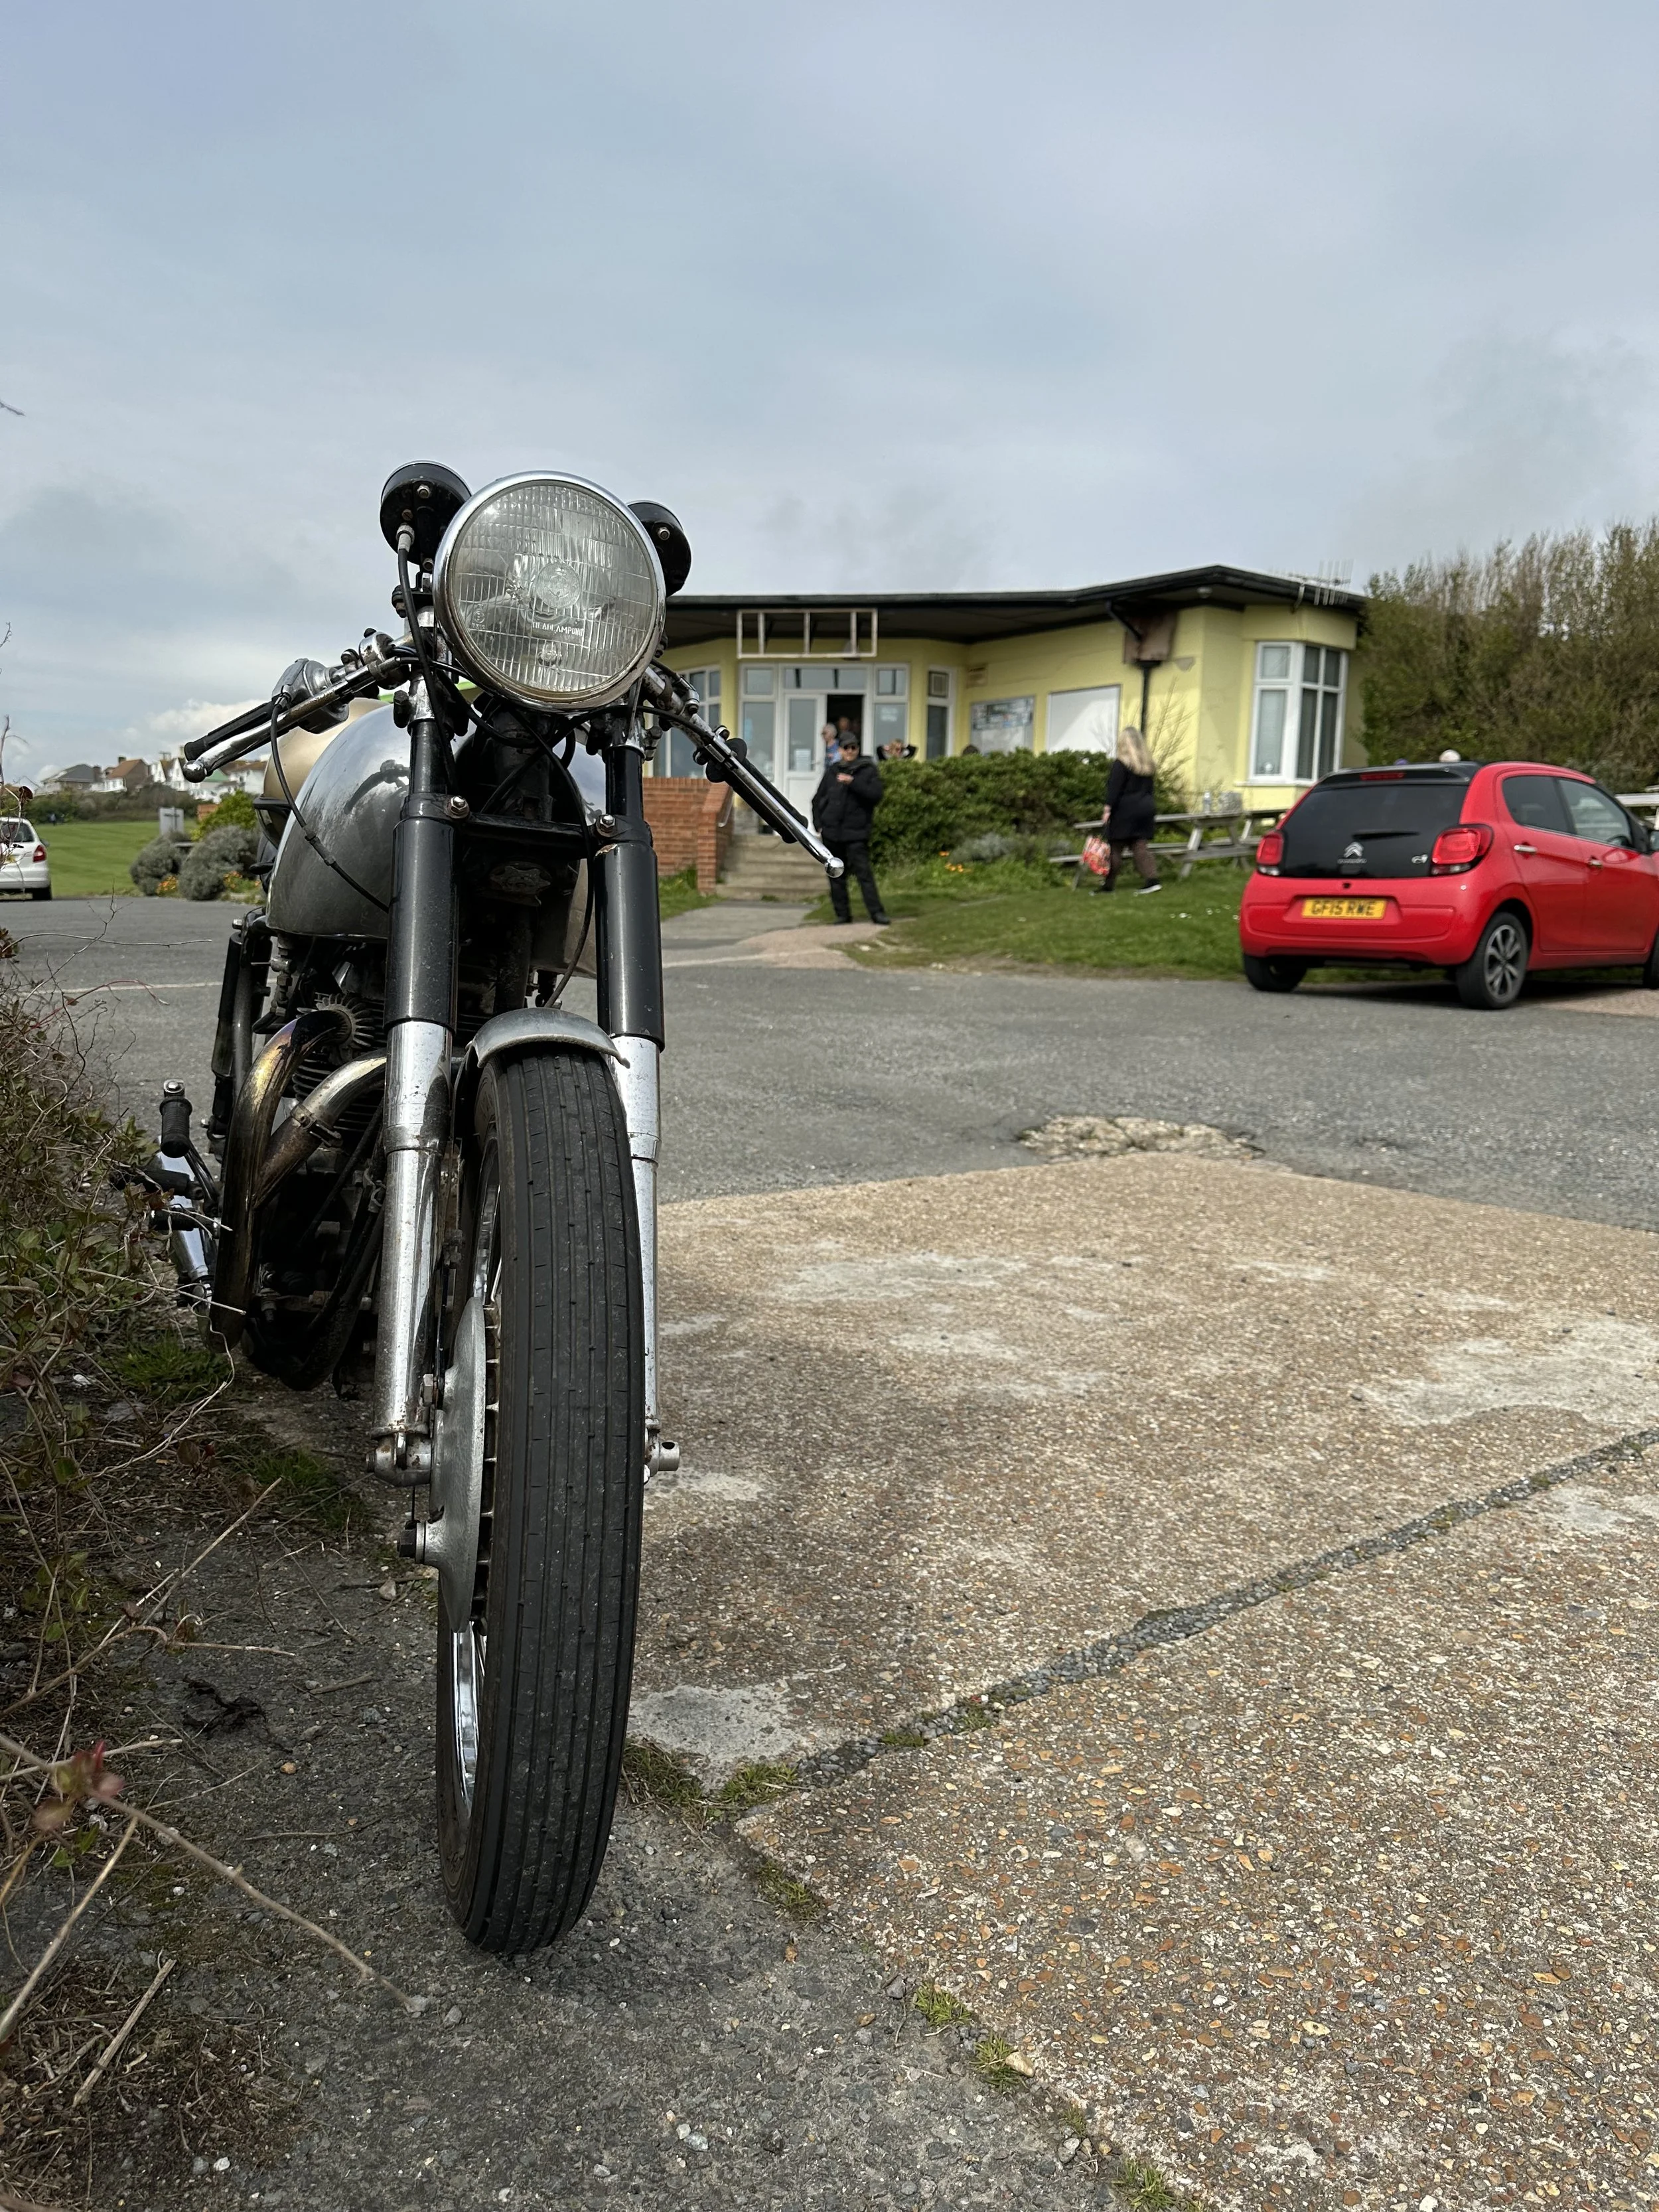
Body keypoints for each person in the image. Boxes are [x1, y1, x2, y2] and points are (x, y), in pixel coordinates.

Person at [812, 733, 890, 925]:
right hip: (832, 832)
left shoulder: (867, 770)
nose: (849, 751)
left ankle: (877, 913)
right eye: (846, 748)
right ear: (840, 750)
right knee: (836, 875)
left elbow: (875, 795)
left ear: (857, 749)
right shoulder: (833, 771)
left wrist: (853, 783)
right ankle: (842, 915)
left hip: (856, 833)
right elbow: (818, 799)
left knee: (864, 875)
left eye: (853, 747)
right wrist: (818, 823)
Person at [1098, 725, 1161, 894]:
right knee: (1140, 846)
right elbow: (1150, 790)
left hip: (1125, 810)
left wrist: (1107, 809)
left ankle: (1108, 884)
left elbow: (1114, 788)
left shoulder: (1121, 764)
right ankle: (1152, 879)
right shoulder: (1147, 765)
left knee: (1116, 848)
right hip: (1145, 808)